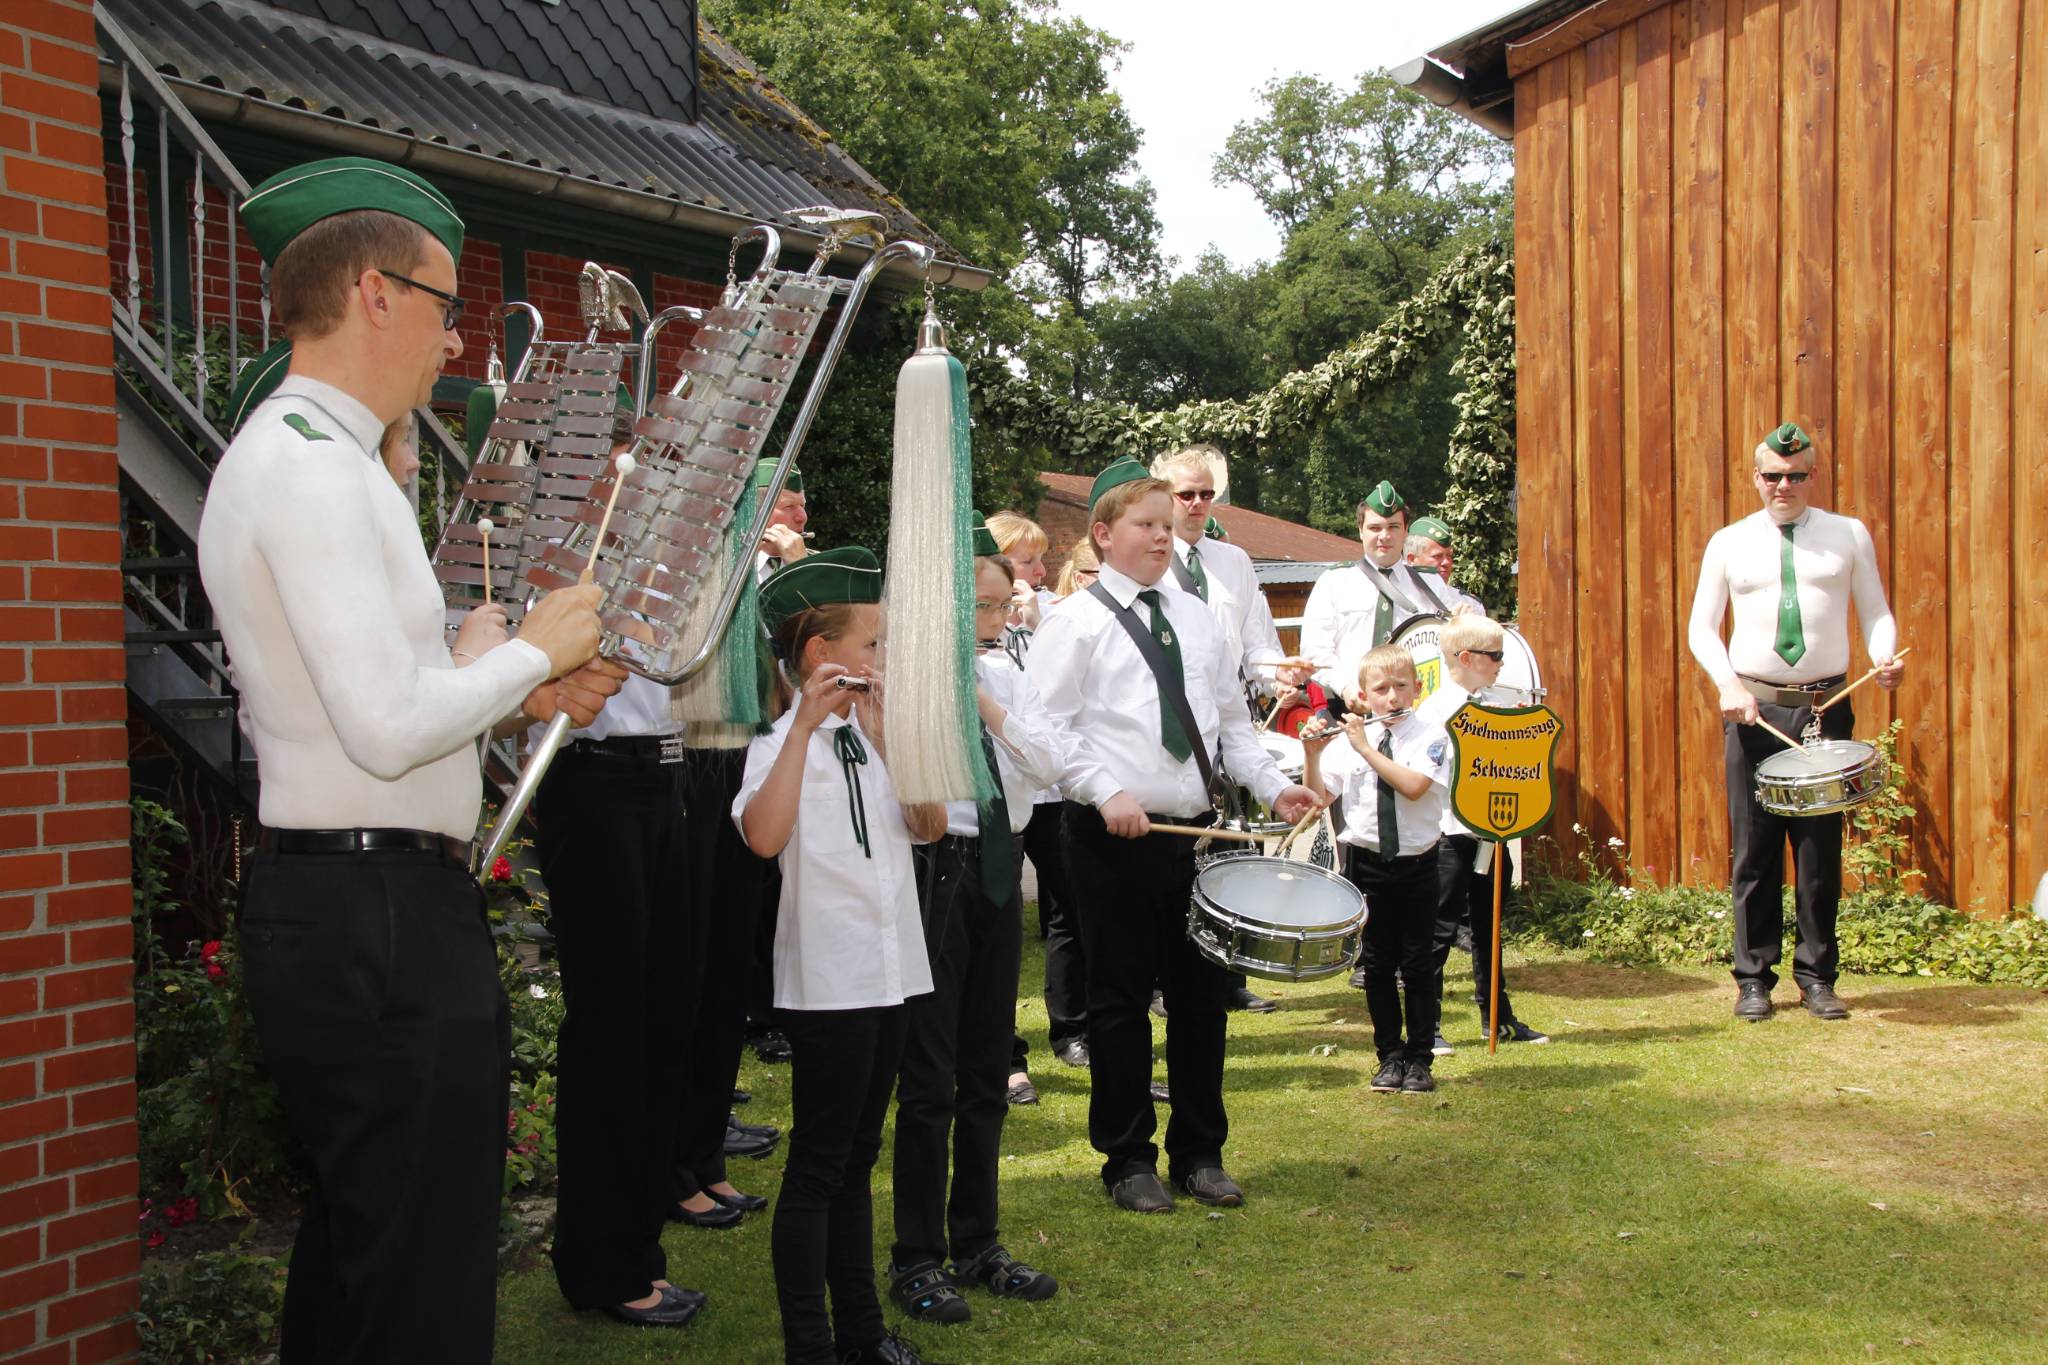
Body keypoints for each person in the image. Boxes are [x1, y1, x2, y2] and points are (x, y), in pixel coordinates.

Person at [201, 156, 622, 1362]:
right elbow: (383, 729)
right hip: (372, 913)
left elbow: (383, 702)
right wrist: (533, 652)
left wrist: (502, 678)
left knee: (367, 1261)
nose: (456, 339)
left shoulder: (319, 456)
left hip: (362, 903)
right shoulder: (311, 465)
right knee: (419, 1281)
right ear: (374, 293)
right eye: (445, 304)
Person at [1027, 457, 1319, 1214]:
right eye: (1146, 525)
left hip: (1196, 834)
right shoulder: (1075, 621)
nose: (1163, 536)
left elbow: (1230, 726)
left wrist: (1273, 785)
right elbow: (1044, 729)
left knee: (1200, 999)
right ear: (1103, 535)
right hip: (1111, 835)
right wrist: (1103, 790)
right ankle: (1127, 1159)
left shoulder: (1195, 615)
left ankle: (1200, 1153)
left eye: (1167, 525)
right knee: (1119, 999)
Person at [734, 548, 947, 1365]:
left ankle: (859, 1331)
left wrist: (887, 735)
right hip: (829, 980)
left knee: (860, 1158)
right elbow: (763, 837)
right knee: (819, 1166)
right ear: (824, 654)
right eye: (875, 643)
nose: (886, 657)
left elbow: (929, 825)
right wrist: (803, 729)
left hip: (894, 974)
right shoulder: (775, 742)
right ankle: (810, 1344)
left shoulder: (876, 733)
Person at [532, 411, 716, 1327]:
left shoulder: (660, 559)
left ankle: (639, 1234)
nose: (647, 493)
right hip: (594, 780)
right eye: (633, 475)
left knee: (664, 1017)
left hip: (663, 776)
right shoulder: (556, 559)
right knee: (611, 1027)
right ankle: (601, 1262)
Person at [888, 534, 1065, 1325]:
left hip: (1000, 864)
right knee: (930, 1073)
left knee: (987, 1065)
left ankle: (979, 1242)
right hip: (938, 867)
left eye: (1001, 604)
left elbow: (1047, 761)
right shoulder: (906, 674)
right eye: (980, 606)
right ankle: (916, 1254)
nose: (995, 619)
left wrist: (986, 703)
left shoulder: (1007, 673)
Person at [1687, 422, 1903, 1022]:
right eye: (1773, 476)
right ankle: (1753, 979)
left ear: (1812, 476)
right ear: (1755, 477)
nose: (1784, 486)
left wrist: (1885, 656)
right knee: (1754, 850)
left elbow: (1876, 612)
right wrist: (1728, 684)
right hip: (1753, 710)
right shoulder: (1728, 542)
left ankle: (1817, 977)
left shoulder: (1847, 534)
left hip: (1825, 708)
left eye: (1797, 475)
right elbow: (1701, 627)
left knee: (1818, 852)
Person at [1153, 445, 1289, 1014]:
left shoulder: (1233, 562)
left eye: (1207, 494)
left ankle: (1226, 974)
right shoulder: (1150, 558)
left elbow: (1259, 644)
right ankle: (1160, 980)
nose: (1197, 504)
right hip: (1167, 728)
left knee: (1232, 850)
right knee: (1170, 859)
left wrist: (1282, 671)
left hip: (1228, 722)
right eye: (1185, 493)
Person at [1300, 644, 1452, 1095]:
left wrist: (1364, 748)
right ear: (1363, 697)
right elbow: (1317, 800)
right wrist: (1312, 754)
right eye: (1381, 689)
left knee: (1418, 964)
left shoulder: (1430, 735)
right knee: (1378, 966)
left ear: (1417, 689)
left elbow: (1413, 786)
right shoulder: (1352, 743)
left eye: (1401, 686)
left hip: (1417, 863)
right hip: (1366, 864)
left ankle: (1420, 1058)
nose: (1392, 697)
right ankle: (1389, 1055)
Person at [1415, 614, 1548, 1049]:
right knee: (1438, 932)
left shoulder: (1497, 704)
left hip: (1492, 834)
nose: (1501, 664)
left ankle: (1497, 1019)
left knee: (1489, 930)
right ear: (1466, 658)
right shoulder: (1435, 711)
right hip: (1449, 835)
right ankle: (1427, 1026)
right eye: (1495, 655)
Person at [987, 511, 1083, 1093]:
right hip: (997, 801)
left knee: (1070, 904)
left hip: (1050, 788)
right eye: (1028, 561)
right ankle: (1002, 1054)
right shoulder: (987, 642)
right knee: (991, 931)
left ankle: (1072, 1028)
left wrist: (1039, 620)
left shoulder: (1044, 620)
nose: (1041, 572)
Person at [1298, 481, 1469, 713]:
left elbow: (1453, 649)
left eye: (1393, 527)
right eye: (1375, 528)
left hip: (1418, 715)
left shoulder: (1431, 584)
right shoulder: (1334, 582)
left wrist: (1465, 627)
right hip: (1349, 710)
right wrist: (1346, 688)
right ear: (1361, 531)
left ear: (1406, 531)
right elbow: (1315, 652)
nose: (1384, 536)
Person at [1405, 515, 1485, 615]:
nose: (1447, 562)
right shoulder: (1397, 598)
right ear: (1411, 559)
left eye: (1449, 556)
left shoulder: (1470, 604)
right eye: (1437, 556)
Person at [753, 461, 810, 584]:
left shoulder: (823, 567)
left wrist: (802, 567)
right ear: (756, 512)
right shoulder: (724, 566)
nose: (802, 517)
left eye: (802, 505)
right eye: (788, 506)